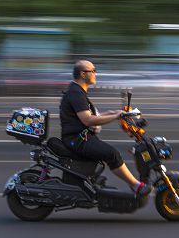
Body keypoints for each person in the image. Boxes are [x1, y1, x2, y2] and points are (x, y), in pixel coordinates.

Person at [59, 60, 152, 197]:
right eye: (93, 71)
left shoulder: (77, 91)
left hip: (80, 137)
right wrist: (116, 116)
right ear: (83, 74)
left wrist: (117, 113)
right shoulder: (76, 93)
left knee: (107, 154)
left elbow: (93, 115)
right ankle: (135, 185)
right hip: (77, 140)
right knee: (112, 154)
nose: (96, 74)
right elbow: (88, 120)